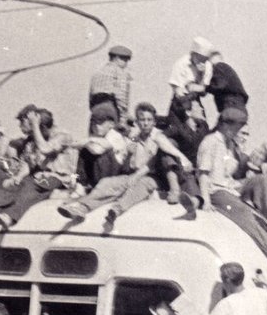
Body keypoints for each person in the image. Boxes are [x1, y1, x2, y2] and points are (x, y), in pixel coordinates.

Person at [58, 102, 194, 229]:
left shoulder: (158, 136)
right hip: (134, 174)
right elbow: (129, 162)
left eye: (149, 120)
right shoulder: (135, 138)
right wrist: (130, 155)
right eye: (142, 120)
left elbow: (153, 161)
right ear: (138, 122)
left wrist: (183, 159)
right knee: (107, 183)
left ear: (154, 122)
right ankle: (82, 207)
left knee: (141, 185)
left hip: (154, 177)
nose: (145, 123)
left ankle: (117, 210)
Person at [182, 106, 267, 261]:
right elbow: (203, 173)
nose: (237, 131)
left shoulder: (229, 144)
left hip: (231, 186)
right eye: (236, 127)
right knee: (242, 211)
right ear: (225, 125)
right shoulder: (211, 142)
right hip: (216, 190)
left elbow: (232, 172)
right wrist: (206, 200)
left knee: (263, 180)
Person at [0, 106, 75, 230]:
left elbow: (45, 149)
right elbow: (28, 163)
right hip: (39, 177)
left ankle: (8, 217)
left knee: (30, 187)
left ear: (40, 127)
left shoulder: (62, 135)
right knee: (11, 182)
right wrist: (18, 177)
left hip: (59, 178)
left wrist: (34, 126)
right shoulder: (33, 140)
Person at [75, 102, 128, 190]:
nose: (97, 126)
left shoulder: (115, 135)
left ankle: (90, 187)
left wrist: (87, 141)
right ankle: (80, 185)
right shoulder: (97, 137)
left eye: (101, 123)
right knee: (84, 151)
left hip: (116, 176)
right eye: (94, 123)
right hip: (102, 175)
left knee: (97, 151)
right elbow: (75, 145)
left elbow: (98, 150)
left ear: (111, 124)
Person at [168, 36, 214, 116]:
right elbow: (177, 89)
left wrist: (201, 74)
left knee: (202, 125)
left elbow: (204, 92)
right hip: (180, 101)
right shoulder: (181, 64)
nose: (202, 61)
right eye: (200, 58)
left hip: (195, 100)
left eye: (205, 59)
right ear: (193, 54)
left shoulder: (207, 66)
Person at [89, 44, 133, 126]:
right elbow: (121, 96)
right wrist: (123, 118)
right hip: (110, 106)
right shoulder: (120, 71)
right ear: (116, 58)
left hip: (96, 108)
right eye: (125, 60)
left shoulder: (98, 72)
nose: (126, 64)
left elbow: (91, 95)